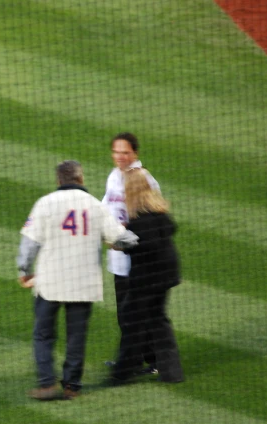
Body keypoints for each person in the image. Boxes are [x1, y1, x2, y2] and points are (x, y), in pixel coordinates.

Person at [17, 160, 138, 400]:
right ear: (80, 179)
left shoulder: (45, 203)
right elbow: (126, 240)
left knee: (43, 334)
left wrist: (24, 271)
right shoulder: (95, 206)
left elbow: (28, 245)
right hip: (84, 283)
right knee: (76, 335)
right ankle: (72, 386)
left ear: (59, 180)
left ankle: (46, 384)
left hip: (50, 282)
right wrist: (121, 241)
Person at [109, 171, 184, 384]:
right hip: (167, 276)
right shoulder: (159, 214)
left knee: (132, 322)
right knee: (158, 320)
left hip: (146, 279)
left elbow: (135, 245)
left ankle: (121, 373)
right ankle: (172, 373)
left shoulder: (139, 221)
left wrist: (118, 241)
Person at [102, 132, 161, 374]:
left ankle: (153, 362)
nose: (120, 157)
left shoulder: (144, 179)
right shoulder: (114, 177)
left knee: (139, 315)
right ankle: (134, 361)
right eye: (116, 152)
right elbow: (104, 208)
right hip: (118, 259)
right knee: (125, 314)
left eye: (125, 152)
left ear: (135, 153)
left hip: (139, 260)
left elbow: (155, 217)